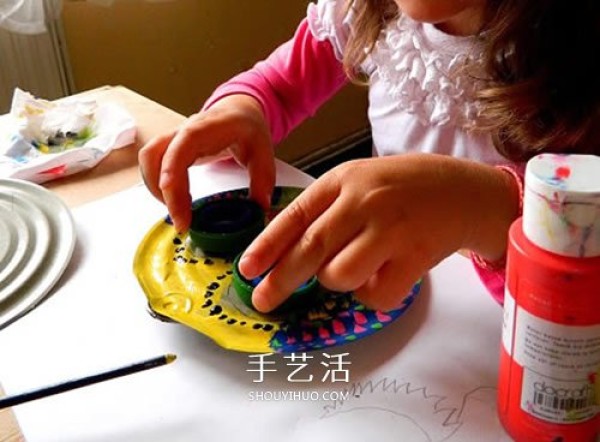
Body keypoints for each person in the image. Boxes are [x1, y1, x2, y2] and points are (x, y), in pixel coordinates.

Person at [139, 0, 600, 313]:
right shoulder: (371, 9)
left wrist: (484, 209)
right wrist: (244, 110)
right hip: (384, 319)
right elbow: (280, 85)